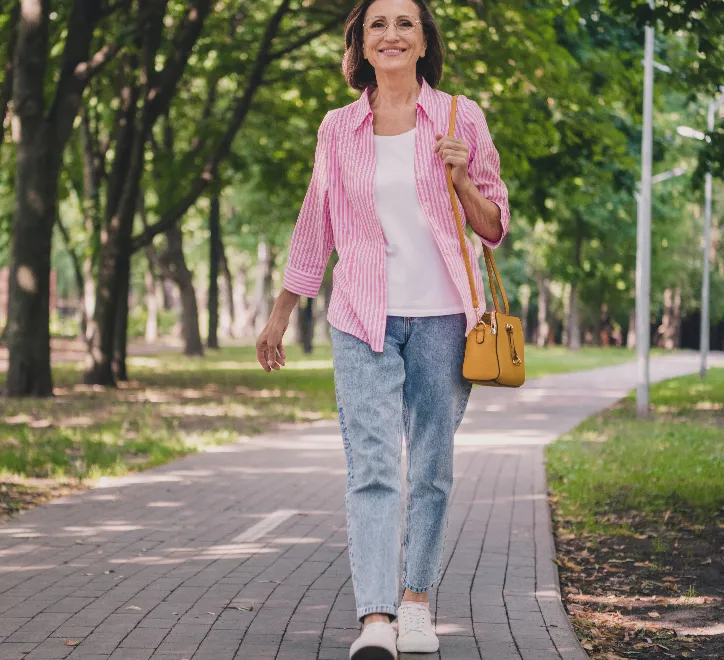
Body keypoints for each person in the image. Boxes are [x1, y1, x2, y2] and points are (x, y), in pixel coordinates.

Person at [255, 0, 510, 657]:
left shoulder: (460, 117)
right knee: (372, 467)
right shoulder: (338, 129)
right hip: (362, 316)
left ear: (424, 41)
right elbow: (317, 224)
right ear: (362, 45)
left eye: (405, 24)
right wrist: (282, 312)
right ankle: (376, 618)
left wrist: (460, 178)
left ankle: (417, 602)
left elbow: (492, 226)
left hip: (445, 320)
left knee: (429, 467)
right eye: (378, 25)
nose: (392, 34)